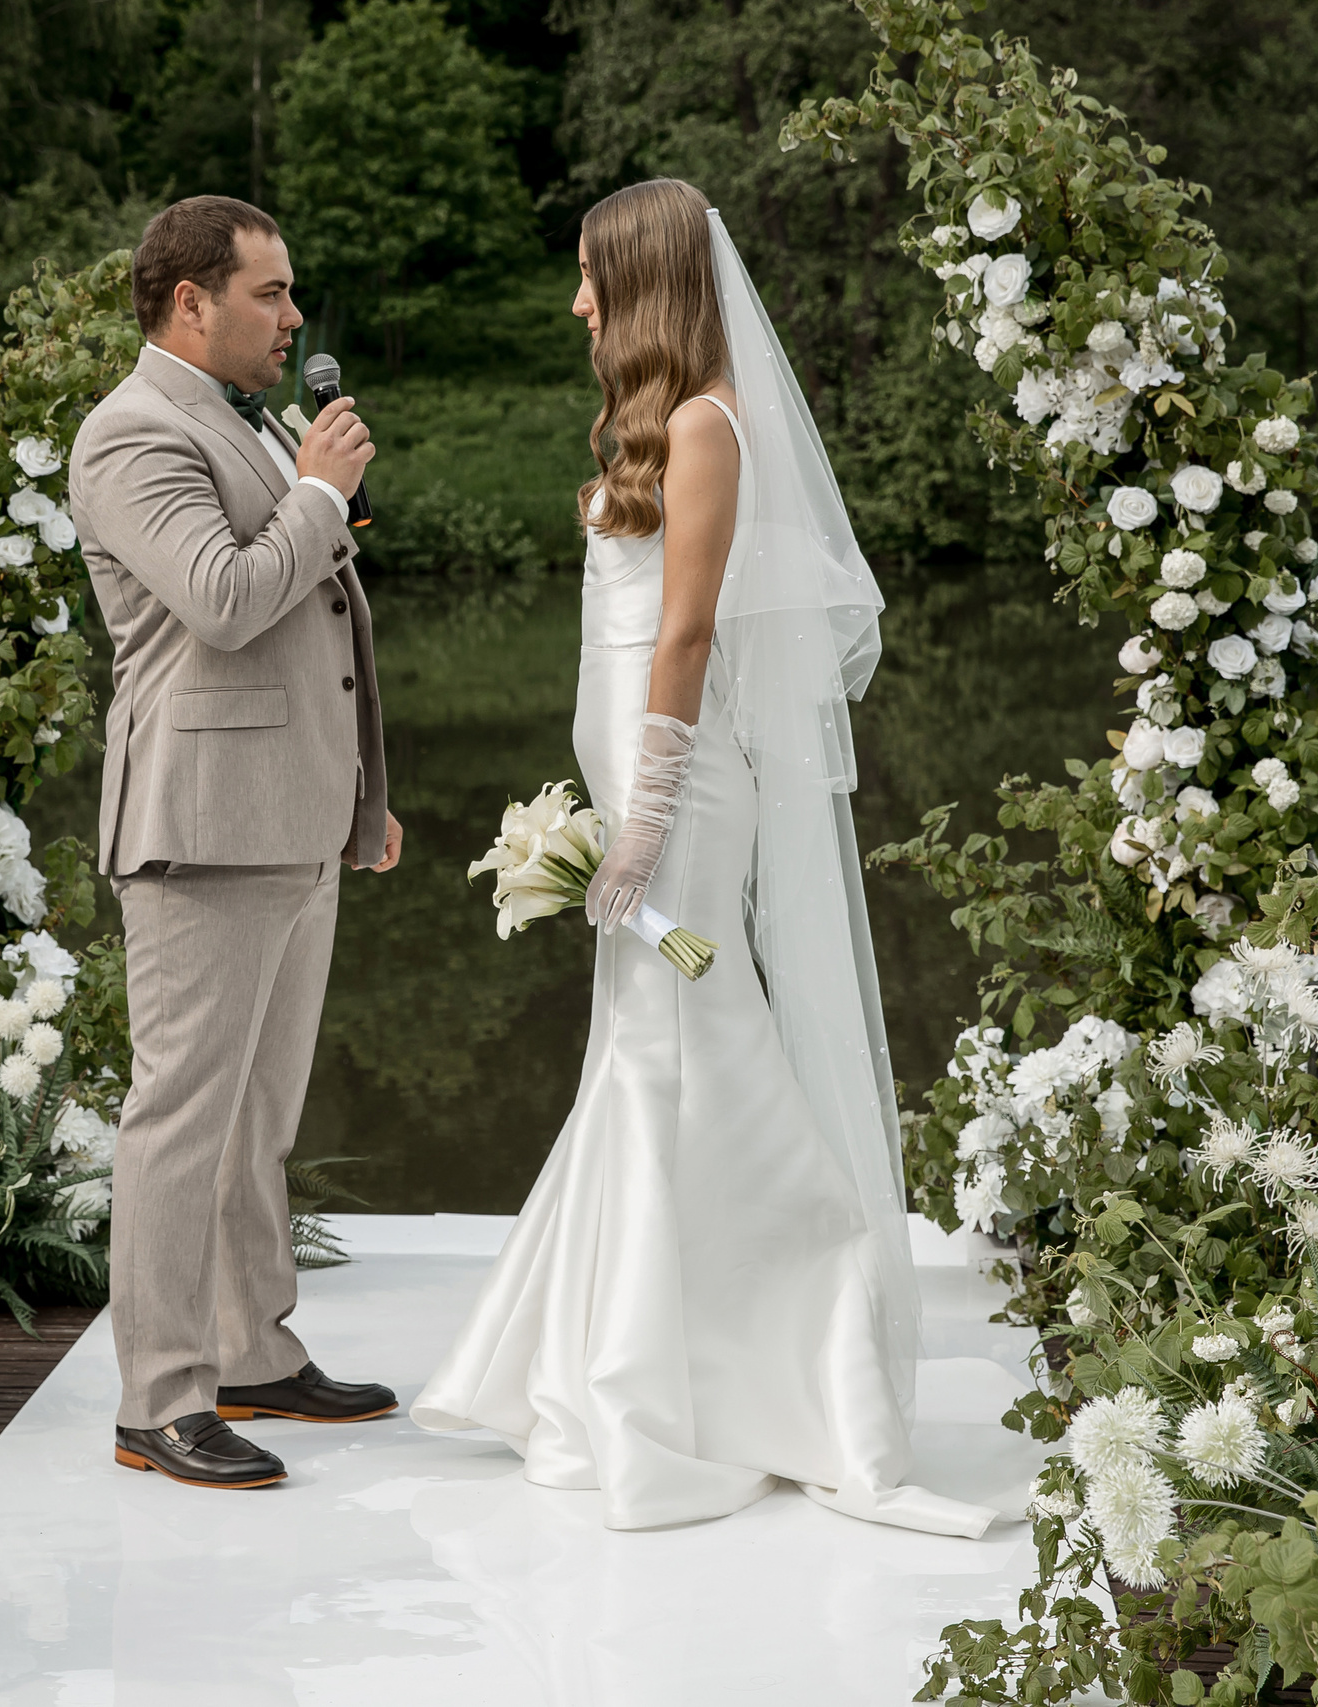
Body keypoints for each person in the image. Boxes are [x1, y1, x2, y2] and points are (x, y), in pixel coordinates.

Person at [412, 179, 997, 1536]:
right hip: (637, 782)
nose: (575, 303)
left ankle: (782, 1355)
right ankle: (623, 1360)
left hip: (681, 796)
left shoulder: (706, 426)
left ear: (644, 288)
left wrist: (649, 828)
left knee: (693, 1037)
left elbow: (683, 639)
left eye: (589, 279)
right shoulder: (643, 427)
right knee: (640, 1047)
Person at [68, 195, 407, 1492]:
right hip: (203, 829)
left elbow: (317, 635)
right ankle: (159, 1400)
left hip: (294, 817)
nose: (294, 314)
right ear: (188, 301)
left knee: (259, 1117)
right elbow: (222, 600)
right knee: (181, 1123)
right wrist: (320, 493)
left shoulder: (238, 419)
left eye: (290, 291)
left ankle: (252, 1349)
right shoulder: (131, 433)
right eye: (270, 292)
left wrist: (361, 794)